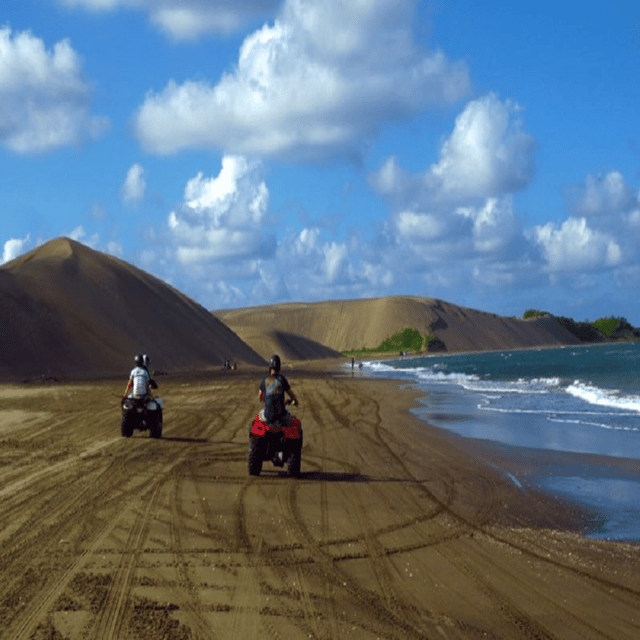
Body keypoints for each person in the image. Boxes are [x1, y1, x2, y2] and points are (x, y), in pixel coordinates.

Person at [259, 354, 298, 425]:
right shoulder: (282, 379)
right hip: (281, 416)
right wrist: (294, 401)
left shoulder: (264, 380)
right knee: (292, 421)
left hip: (268, 415)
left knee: (259, 416)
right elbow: (291, 394)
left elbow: (260, 397)